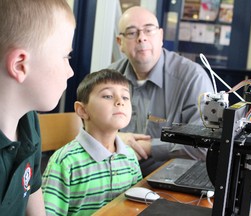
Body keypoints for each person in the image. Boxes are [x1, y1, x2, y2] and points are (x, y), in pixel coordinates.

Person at [108, 6, 214, 176]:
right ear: (120, 43)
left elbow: (205, 144)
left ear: (161, 36)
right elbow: (91, 132)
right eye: (132, 32)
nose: (141, 38)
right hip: (114, 177)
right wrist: (114, 139)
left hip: (168, 181)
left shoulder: (193, 79)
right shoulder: (108, 79)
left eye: (149, 30)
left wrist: (150, 147)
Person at [0, 0, 75, 215]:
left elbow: (33, 193)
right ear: (20, 65)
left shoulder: (29, 120)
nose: (70, 71)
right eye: (65, 57)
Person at [42, 69, 142, 216]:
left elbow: (137, 205)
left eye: (125, 97)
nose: (120, 102)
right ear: (82, 110)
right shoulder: (65, 161)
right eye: (108, 95)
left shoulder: (129, 156)